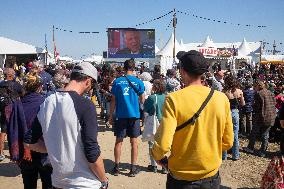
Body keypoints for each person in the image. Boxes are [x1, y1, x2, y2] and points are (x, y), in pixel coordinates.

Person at [151, 50, 233, 189]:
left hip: (181, 177)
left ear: (182, 71)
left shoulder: (174, 99)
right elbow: (228, 141)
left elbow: (163, 144)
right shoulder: (221, 98)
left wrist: (158, 156)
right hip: (211, 175)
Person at [24, 62, 108, 189]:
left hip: (58, 182)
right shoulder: (85, 105)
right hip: (84, 182)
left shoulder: (48, 101)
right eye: (92, 85)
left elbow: (28, 142)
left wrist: (55, 148)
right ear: (88, 81)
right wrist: (104, 180)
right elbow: (91, 151)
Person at [109, 59, 145, 177]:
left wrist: (110, 116)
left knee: (118, 142)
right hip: (134, 115)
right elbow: (142, 100)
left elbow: (113, 100)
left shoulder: (117, 82)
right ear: (134, 68)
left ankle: (116, 168)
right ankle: (132, 169)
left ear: (124, 68)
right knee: (134, 142)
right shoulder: (139, 82)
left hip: (121, 115)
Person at [19, 70, 52, 189]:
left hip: (25, 151)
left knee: (29, 185)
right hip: (45, 150)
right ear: (39, 87)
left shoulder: (18, 105)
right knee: (48, 184)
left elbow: (13, 130)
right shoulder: (46, 103)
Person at [243, 80, 277, 157]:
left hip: (261, 116)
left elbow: (257, 107)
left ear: (258, 85)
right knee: (265, 135)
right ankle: (262, 151)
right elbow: (274, 103)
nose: (254, 88)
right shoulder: (270, 92)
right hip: (271, 116)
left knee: (254, 132)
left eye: (255, 86)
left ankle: (250, 148)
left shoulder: (258, 94)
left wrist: (253, 106)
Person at [0, 68, 24, 161]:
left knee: (3, 132)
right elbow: (23, 94)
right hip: (14, 111)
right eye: (13, 74)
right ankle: (15, 153)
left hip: (3, 110)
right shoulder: (17, 85)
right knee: (15, 131)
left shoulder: (1, 84)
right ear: (10, 75)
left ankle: (1, 153)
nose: (14, 75)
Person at [143, 79, 166, 173]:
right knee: (163, 144)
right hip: (164, 122)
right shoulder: (167, 97)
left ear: (155, 87)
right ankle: (164, 165)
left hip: (154, 122)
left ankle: (154, 165)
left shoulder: (152, 98)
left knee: (152, 144)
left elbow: (145, 108)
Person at [222, 75, 245, 161]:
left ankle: (223, 156)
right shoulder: (239, 91)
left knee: (224, 133)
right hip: (235, 112)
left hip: (226, 112)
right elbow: (243, 104)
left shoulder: (224, 91)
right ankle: (235, 155)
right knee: (235, 134)